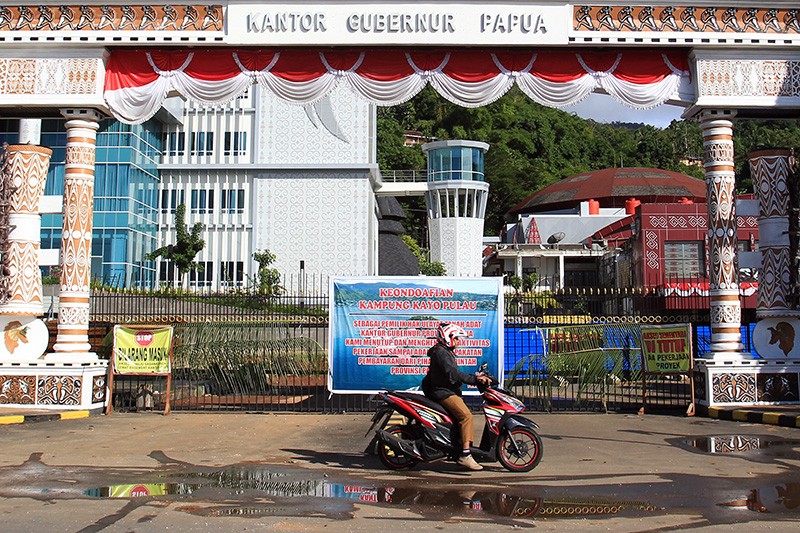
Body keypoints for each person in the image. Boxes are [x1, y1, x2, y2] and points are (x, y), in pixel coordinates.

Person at [422, 323, 491, 471]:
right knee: (466, 417)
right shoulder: (441, 353)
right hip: (443, 392)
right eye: (457, 339)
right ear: (449, 337)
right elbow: (453, 373)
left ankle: (458, 447)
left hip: (446, 391)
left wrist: (477, 377)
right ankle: (465, 455)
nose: (459, 342)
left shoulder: (444, 351)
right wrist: (474, 379)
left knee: (459, 419)